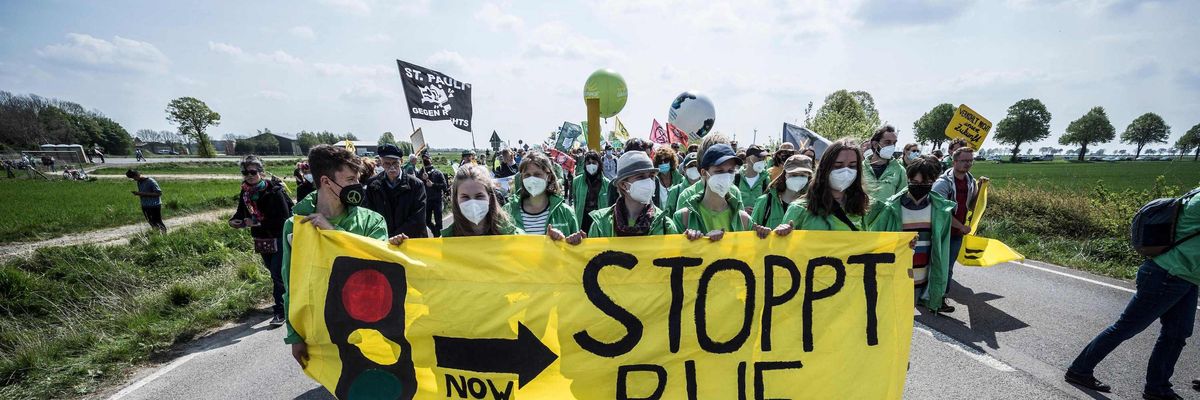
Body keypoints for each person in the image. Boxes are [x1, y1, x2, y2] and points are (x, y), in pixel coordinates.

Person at [1064, 185, 1198, 399]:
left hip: (1187, 277)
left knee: (1177, 334)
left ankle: (1157, 388)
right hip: (1168, 275)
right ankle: (1079, 370)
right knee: (1127, 327)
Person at [283, 144, 388, 369]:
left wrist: (333, 234)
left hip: (368, 326)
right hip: (322, 331)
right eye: (350, 180)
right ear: (326, 182)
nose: (356, 186)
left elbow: (379, 266)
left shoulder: (372, 221)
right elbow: (292, 284)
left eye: (357, 179)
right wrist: (295, 336)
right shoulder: (295, 227)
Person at [867, 155, 956, 313]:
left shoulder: (941, 211)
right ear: (907, 179)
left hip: (919, 279)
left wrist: (938, 283)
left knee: (906, 322)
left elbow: (942, 250)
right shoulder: (890, 209)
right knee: (883, 318)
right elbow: (875, 242)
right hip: (892, 277)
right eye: (914, 183)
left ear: (934, 181)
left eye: (925, 183)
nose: (919, 187)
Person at [229, 156, 294, 327]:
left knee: (277, 274)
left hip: (279, 236)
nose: (249, 176)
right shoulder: (245, 193)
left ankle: (280, 312)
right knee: (276, 274)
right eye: (245, 172)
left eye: (252, 172)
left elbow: (285, 218)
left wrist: (258, 222)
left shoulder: (274, 191)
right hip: (261, 238)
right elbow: (241, 213)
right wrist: (235, 221)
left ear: (261, 172)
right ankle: (291, 299)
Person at [776, 139, 870, 233]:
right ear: (824, 168)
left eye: (852, 166)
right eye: (838, 165)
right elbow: (784, 246)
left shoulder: (864, 208)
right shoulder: (799, 209)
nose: (845, 172)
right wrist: (782, 233)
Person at [931, 146, 987, 302]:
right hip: (941, 232)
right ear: (954, 161)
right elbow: (941, 212)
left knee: (948, 267)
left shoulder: (971, 182)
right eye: (964, 160)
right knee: (938, 265)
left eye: (970, 161)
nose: (967, 164)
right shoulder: (942, 184)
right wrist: (961, 226)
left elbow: (972, 205)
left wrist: (981, 189)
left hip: (956, 234)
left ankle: (940, 297)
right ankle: (936, 297)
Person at [587, 151, 680, 237]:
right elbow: (590, 254)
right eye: (641, 177)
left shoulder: (665, 225)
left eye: (651, 176)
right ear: (623, 185)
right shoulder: (601, 224)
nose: (648, 182)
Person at [674, 143, 752, 241]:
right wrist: (697, 243)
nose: (726, 177)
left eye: (731, 171)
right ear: (704, 173)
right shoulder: (683, 218)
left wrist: (766, 233)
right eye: (719, 171)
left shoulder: (744, 219)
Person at [503, 151, 580, 237]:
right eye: (527, 175)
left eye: (537, 174)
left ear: (549, 177)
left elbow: (575, 249)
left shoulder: (566, 213)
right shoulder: (507, 212)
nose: (532, 179)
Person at [362, 144, 428, 238]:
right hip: (384, 240)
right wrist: (386, 237)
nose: (391, 167)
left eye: (395, 163)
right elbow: (369, 214)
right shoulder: (372, 185)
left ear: (401, 162)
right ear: (381, 163)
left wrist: (396, 236)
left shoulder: (416, 185)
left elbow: (418, 218)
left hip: (410, 240)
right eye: (387, 163)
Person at [750, 154, 812, 238]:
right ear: (785, 174)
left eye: (802, 175)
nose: (798, 178)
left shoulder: (812, 205)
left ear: (808, 177)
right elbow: (750, 232)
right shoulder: (765, 202)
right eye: (793, 175)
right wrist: (760, 231)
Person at [862, 125, 909, 204]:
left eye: (894, 143)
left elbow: (901, 200)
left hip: (886, 216)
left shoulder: (900, 171)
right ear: (875, 144)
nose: (892, 146)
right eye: (887, 142)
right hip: (861, 215)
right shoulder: (860, 168)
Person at [572, 151, 611, 233]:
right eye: (588, 163)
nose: (591, 165)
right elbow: (575, 203)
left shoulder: (607, 183)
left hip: (600, 221)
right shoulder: (576, 181)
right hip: (583, 219)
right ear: (585, 164)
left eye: (594, 163)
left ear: (599, 164)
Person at [421, 155, 448, 237]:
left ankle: (439, 237)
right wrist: (422, 178)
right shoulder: (420, 173)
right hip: (426, 200)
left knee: (438, 221)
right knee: (426, 220)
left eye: (427, 158)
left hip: (437, 200)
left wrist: (433, 185)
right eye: (424, 158)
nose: (425, 159)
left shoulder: (438, 172)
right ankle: (435, 232)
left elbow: (444, 186)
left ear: (431, 160)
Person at [737, 145, 770, 214]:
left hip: (757, 222)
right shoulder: (736, 178)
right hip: (738, 222)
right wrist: (741, 210)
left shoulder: (766, 180)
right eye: (759, 158)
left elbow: (768, 204)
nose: (762, 161)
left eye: (763, 158)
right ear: (748, 158)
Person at [653, 147, 683, 211]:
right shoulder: (653, 181)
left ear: (671, 161)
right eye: (660, 162)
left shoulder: (681, 180)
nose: (663, 163)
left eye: (666, 160)